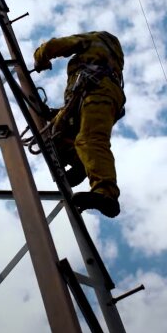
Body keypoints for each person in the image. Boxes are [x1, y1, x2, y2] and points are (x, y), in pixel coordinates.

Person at [33, 31, 126, 218]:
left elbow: (54, 46)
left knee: (90, 139)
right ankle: (80, 163)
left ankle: (106, 193)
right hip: (91, 97)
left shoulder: (94, 39)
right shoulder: (107, 59)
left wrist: (40, 58)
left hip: (97, 92)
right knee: (56, 134)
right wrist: (51, 114)